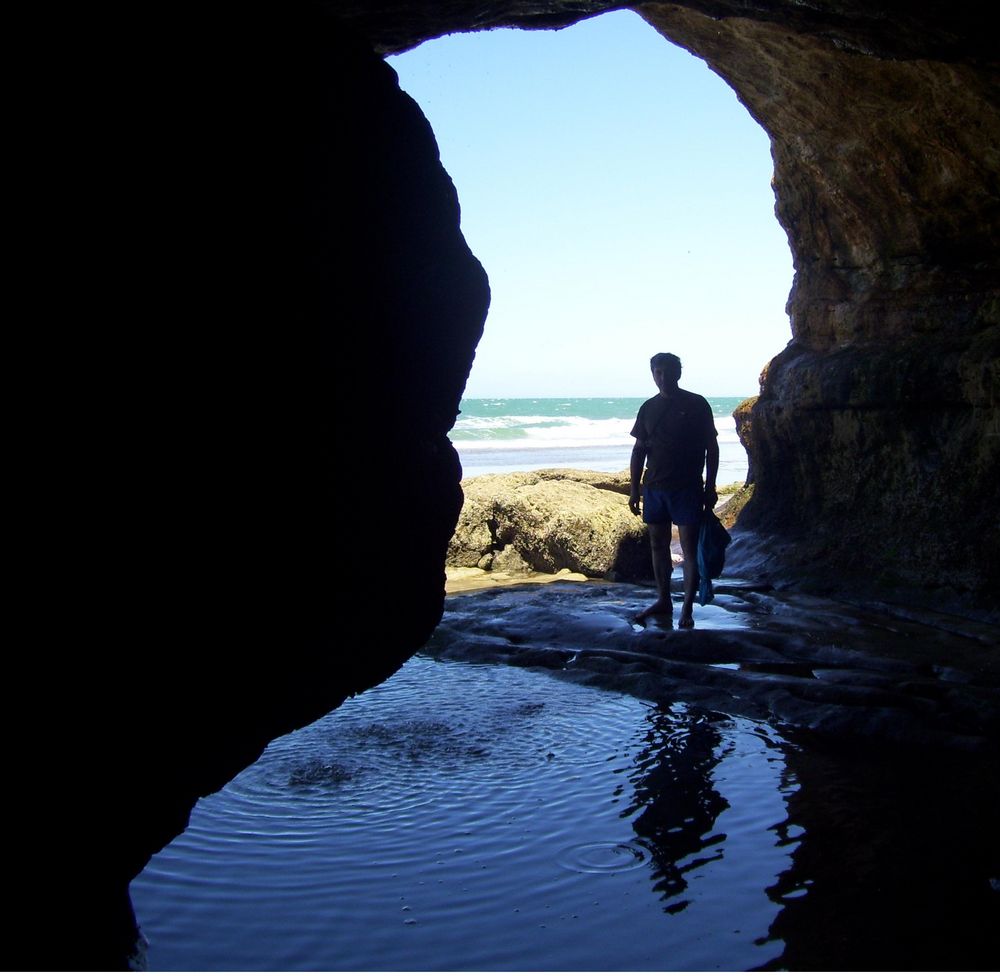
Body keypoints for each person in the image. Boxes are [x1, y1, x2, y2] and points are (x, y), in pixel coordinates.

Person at [629, 352, 719, 628]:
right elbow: (638, 450)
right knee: (658, 546)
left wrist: (711, 485)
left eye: (668, 372)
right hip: (654, 488)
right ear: (652, 374)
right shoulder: (648, 407)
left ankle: (687, 609)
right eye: (658, 372)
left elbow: (711, 448)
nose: (663, 378)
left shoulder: (696, 404)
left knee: (690, 550)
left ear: (679, 373)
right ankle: (663, 599)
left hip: (687, 488)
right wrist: (635, 490)